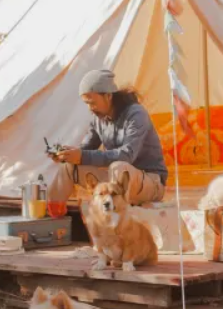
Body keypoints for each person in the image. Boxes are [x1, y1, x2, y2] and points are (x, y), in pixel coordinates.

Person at [48, 69, 169, 206]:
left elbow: (127, 155)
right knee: (69, 167)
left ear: (108, 96)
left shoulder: (136, 114)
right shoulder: (98, 118)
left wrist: (81, 155)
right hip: (117, 184)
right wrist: (67, 155)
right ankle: (51, 213)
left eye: (92, 102)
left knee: (119, 167)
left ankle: (118, 213)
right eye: (87, 104)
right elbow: (85, 150)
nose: (89, 108)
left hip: (150, 183)